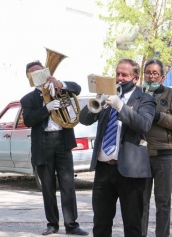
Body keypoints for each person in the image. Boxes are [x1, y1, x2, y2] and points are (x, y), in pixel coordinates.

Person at [79, 59, 156, 237]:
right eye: (118, 74)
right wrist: (98, 100)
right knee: (100, 223)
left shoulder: (145, 99)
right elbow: (84, 119)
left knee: (132, 225)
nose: (120, 78)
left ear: (135, 78)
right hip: (104, 169)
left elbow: (144, 125)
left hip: (130, 171)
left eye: (125, 75)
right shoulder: (108, 96)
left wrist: (120, 106)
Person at [20, 60, 88, 236]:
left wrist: (60, 84)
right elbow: (28, 120)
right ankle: (52, 224)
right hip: (43, 144)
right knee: (48, 187)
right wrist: (46, 108)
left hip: (63, 141)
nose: (37, 75)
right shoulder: (28, 99)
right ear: (29, 78)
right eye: (32, 73)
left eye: (39, 71)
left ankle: (72, 225)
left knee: (68, 184)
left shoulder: (59, 88)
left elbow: (78, 88)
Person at [141, 59, 172, 237]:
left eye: (155, 73)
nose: (151, 76)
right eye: (148, 73)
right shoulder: (138, 94)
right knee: (140, 202)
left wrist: (158, 116)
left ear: (162, 77)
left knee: (163, 202)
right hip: (141, 155)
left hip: (163, 155)